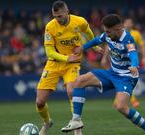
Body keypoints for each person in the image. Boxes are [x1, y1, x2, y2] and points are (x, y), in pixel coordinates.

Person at [61, 14, 145, 135]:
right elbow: (97, 40)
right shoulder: (108, 35)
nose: (106, 34)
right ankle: (76, 120)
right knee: (79, 81)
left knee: (120, 106)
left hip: (126, 77)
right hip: (112, 73)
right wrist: (82, 48)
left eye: (108, 31)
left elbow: (134, 55)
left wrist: (134, 65)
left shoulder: (128, 39)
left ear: (118, 28)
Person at [35, 1, 102, 135]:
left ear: (67, 12)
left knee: (72, 91)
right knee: (40, 102)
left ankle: (77, 127)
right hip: (54, 63)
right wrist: (66, 58)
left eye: (59, 16)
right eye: (55, 16)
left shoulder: (79, 21)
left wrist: (94, 46)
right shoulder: (50, 26)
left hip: (72, 63)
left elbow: (88, 33)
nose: (57, 19)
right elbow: (49, 52)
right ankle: (47, 122)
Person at [101, 17, 145, 108]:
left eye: (130, 23)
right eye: (127, 23)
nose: (129, 24)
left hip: (131, 60)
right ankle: (131, 100)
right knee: (121, 79)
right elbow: (109, 44)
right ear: (123, 25)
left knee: (126, 80)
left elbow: (142, 45)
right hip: (118, 59)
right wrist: (104, 57)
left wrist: (144, 57)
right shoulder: (115, 33)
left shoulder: (136, 34)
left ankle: (121, 99)